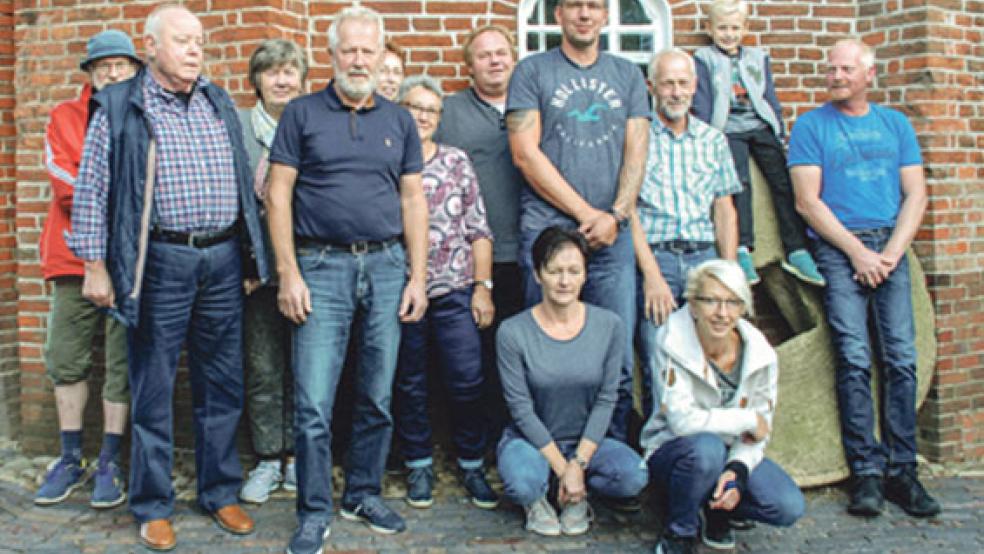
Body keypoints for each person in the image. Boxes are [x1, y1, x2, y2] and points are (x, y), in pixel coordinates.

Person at [68, 4, 269, 550]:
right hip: (158, 262)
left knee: (222, 383)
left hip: (223, 259)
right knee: (153, 385)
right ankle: (153, 504)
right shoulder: (120, 103)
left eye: (199, 40)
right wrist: (94, 264)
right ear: (151, 47)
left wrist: (251, 258)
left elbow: (244, 179)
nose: (195, 49)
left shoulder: (216, 98)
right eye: (183, 40)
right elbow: (92, 189)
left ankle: (219, 491)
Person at [266, 7, 428, 553]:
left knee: (377, 394)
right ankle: (313, 510)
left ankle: (363, 490)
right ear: (331, 56)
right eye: (348, 51)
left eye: (368, 51)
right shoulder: (302, 114)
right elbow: (279, 193)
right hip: (321, 268)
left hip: (386, 267)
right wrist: (288, 272)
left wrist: (417, 277)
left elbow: (413, 200)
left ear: (382, 56)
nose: (359, 60)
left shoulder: (399, 121)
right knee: (314, 401)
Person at [788, 38, 939, 519]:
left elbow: (915, 194)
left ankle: (903, 472)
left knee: (900, 357)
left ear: (869, 74)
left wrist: (889, 253)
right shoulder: (811, 127)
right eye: (830, 68)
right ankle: (866, 474)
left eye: (845, 69)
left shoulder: (895, 124)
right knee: (853, 357)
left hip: (891, 248)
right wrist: (857, 253)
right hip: (839, 248)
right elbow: (807, 201)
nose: (835, 76)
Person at [506, 0, 650, 444]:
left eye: (593, 6)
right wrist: (588, 214)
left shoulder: (627, 75)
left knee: (617, 356)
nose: (584, 14)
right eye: (574, 6)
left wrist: (618, 213)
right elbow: (524, 153)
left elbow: (637, 147)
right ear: (558, 16)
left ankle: (611, 462)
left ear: (605, 15)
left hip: (613, 238)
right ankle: (542, 461)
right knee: (542, 355)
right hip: (549, 233)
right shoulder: (531, 72)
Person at [35, 29, 140, 510]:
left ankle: (111, 461)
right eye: (104, 67)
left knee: (122, 365)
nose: (113, 73)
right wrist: (123, 203)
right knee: (65, 359)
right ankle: (70, 456)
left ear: (136, 70)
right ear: (91, 75)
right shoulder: (65, 116)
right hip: (72, 258)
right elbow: (66, 185)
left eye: (122, 65)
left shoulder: (146, 116)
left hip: (130, 265)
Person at [642, 259, 805, 554]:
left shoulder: (761, 354)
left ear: (743, 308)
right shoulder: (671, 341)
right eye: (711, 301)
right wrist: (746, 419)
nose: (722, 313)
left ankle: (718, 510)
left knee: (787, 505)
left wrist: (737, 471)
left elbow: (759, 431)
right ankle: (680, 530)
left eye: (732, 302)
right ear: (692, 304)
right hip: (677, 451)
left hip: (729, 451)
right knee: (706, 450)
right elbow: (682, 422)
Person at [497, 227, 647, 537]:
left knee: (632, 476)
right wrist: (565, 468)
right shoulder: (513, 332)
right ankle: (539, 498)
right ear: (538, 275)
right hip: (532, 443)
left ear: (585, 275)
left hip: (587, 442)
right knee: (521, 482)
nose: (564, 281)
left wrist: (578, 462)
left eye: (573, 271)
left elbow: (608, 399)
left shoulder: (609, 325)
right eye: (554, 271)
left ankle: (578, 494)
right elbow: (520, 409)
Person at [393, 75, 498, 510]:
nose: (422, 116)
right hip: (401, 291)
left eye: (431, 110)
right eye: (414, 107)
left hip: (454, 289)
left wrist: (483, 287)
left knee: (467, 377)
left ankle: (471, 462)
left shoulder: (456, 161)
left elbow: (478, 228)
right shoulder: (388, 159)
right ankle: (418, 464)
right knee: (410, 382)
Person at [633, 48, 741, 422]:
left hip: (704, 258)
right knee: (658, 354)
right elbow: (627, 209)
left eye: (683, 83)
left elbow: (724, 208)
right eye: (668, 84)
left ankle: (715, 446)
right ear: (652, 87)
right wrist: (651, 275)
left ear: (695, 86)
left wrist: (728, 274)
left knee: (713, 352)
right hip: (658, 257)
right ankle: (663, 449)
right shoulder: (638, 138)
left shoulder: (714, 140)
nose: (676, 92)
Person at [692, 0, 824, 287]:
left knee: (783, 182)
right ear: (709, 29)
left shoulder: (757, 57)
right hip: (727, 129)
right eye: (722, 28)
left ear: (745, 29)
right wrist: (708, 134)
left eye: (734, 28)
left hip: (759, 126)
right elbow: (702, 100)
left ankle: (797, 248)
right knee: (740, 183)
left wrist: (777, 127)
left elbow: (769, 96)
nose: (728, 34)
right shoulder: (704, 58)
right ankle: (743, 248)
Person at [434, 24, 524, 441]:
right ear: (469, 66)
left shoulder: (533, 106)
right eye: (485, 55)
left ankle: (520, 438)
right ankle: (480, 447)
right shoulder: (448, 113)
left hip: (531, 252)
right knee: (478, 360)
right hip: (476, 259)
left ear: (514, 57)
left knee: (523, 355)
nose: (495, 61)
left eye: (502, 52)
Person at [237, 38, 307, 505]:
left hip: (307, 269)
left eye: (290, 72)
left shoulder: (310, 125)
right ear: (257, 80)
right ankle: (267, 456)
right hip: (253, 273)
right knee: (263, 368)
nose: (282, 80)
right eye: (272, 71)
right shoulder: (237, 128)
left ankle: (300, 458)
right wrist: (249, 263)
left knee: (307, 367)